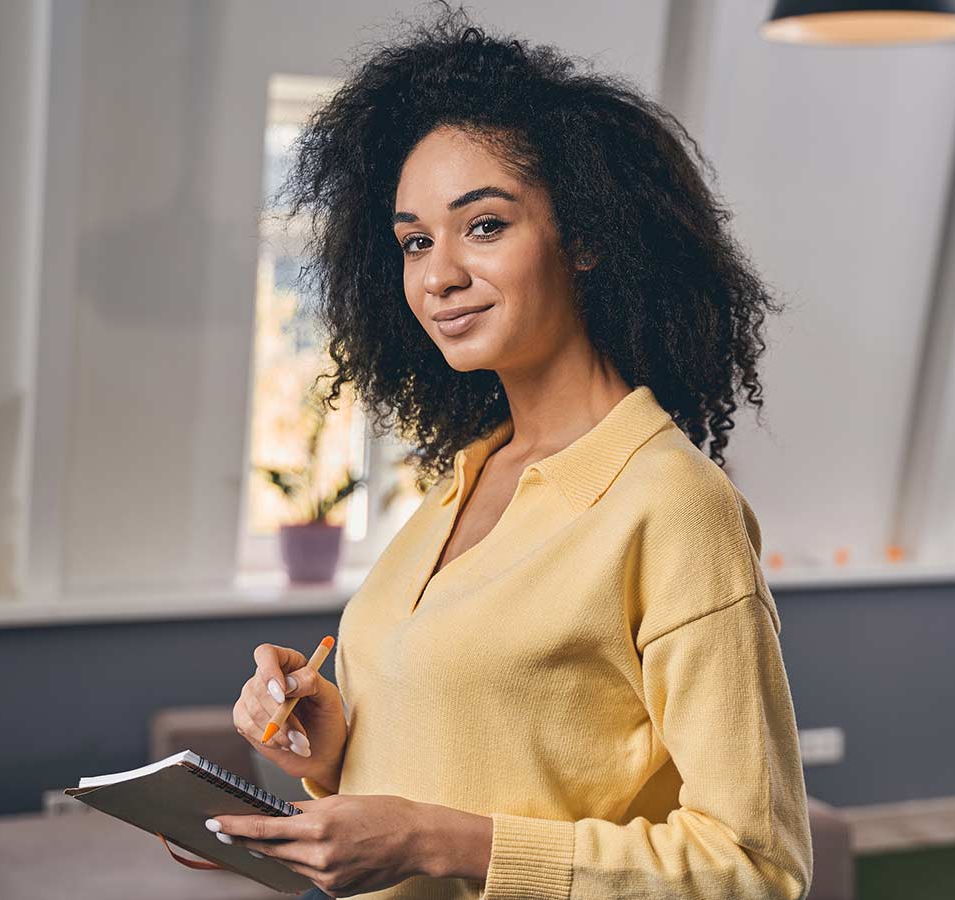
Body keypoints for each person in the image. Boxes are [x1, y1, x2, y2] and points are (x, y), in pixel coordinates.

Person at [208, 4, 813, 897]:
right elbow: (476, 758)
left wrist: (436, 843)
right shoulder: (467, 476)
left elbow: (756, 867)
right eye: (415, 241)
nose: (438, 273)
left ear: (589, 236)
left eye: (483, 225)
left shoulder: (672, 505)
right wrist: (334, 747)